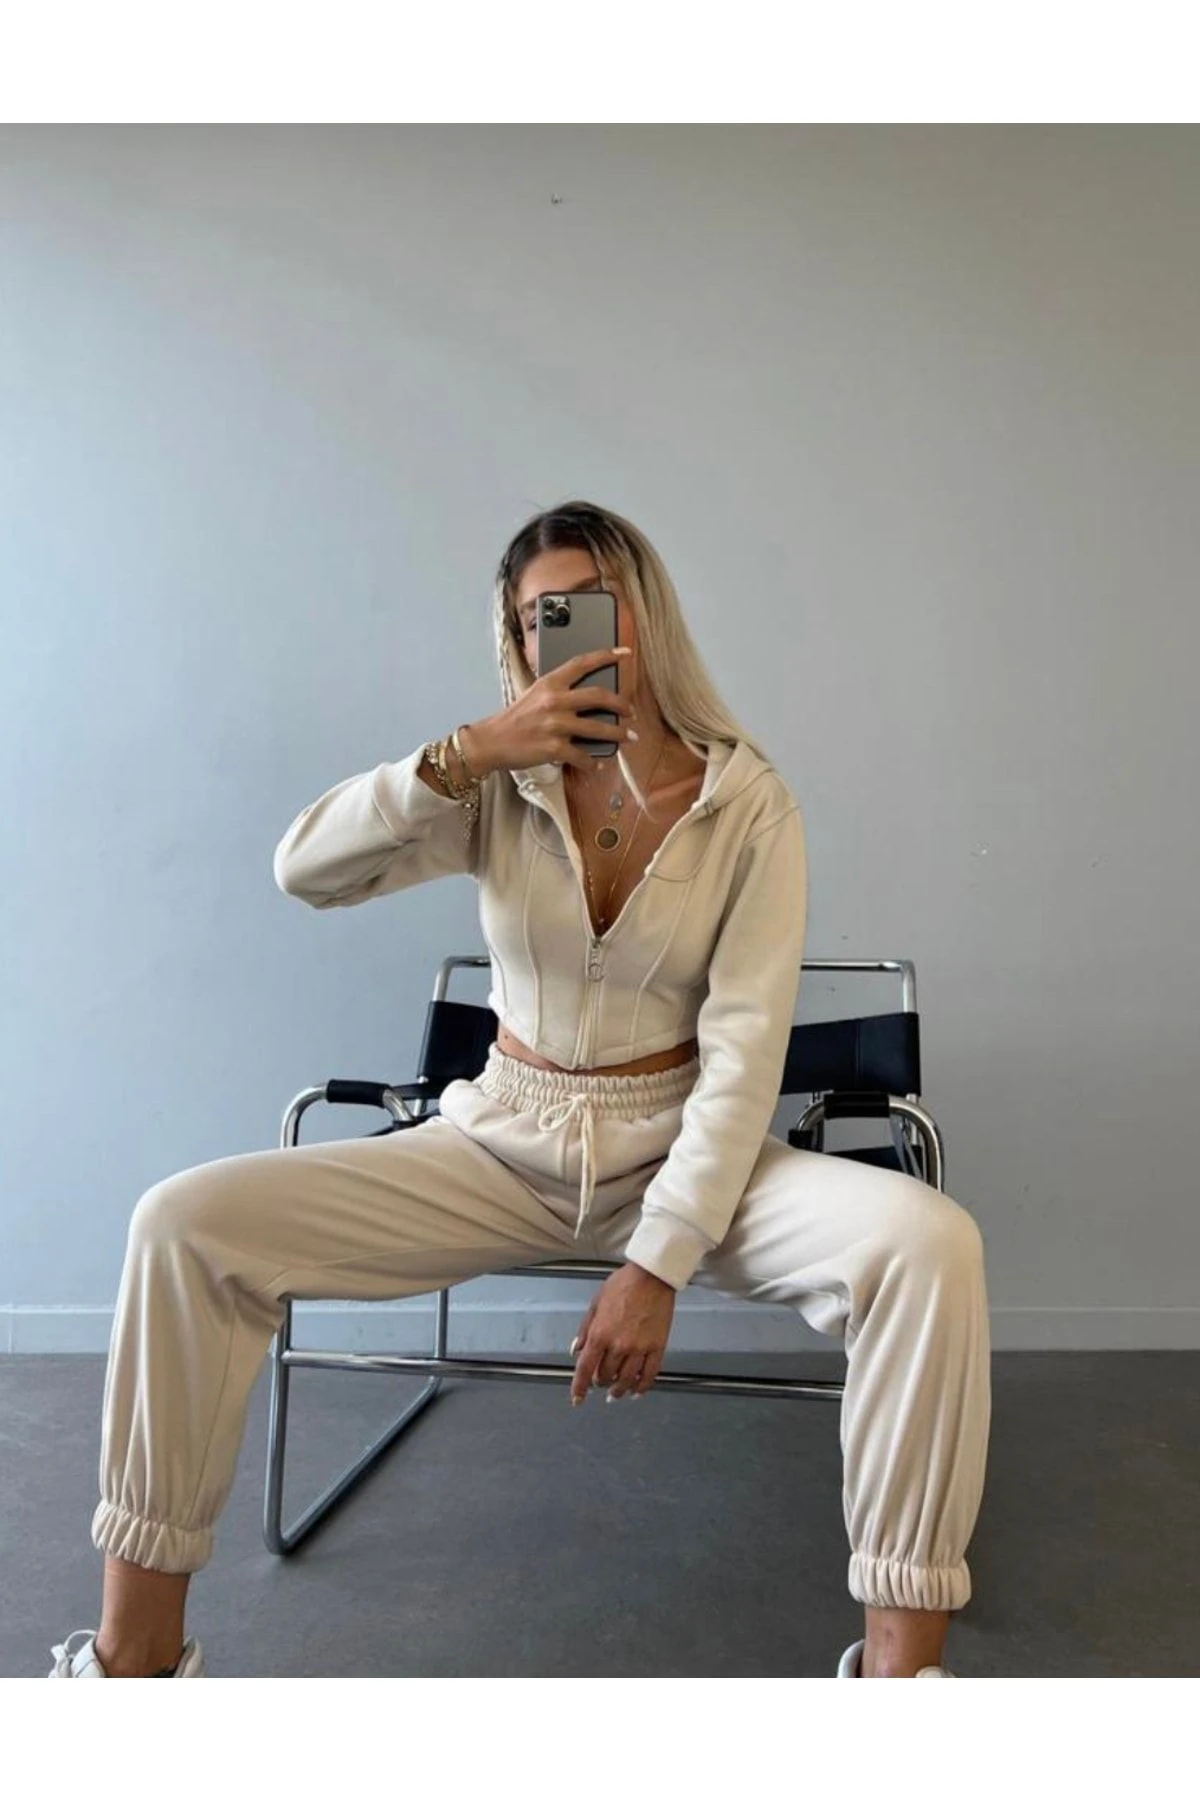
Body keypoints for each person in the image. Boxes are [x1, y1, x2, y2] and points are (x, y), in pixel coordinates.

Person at [48, 500, 991, 1680]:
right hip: (497, 1146)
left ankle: (905, 1687)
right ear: (517, 637)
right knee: (181, 1225)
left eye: (595, 601)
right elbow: (305, 870)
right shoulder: (499, 784)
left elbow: (747, 1051)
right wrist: (465, 753)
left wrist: (658, 1263)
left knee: (930, 1244)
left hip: (683, 1152)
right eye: (543, 616)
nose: (572, 631)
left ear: (646, 612)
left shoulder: (750, 805)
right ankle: (132, 1668)